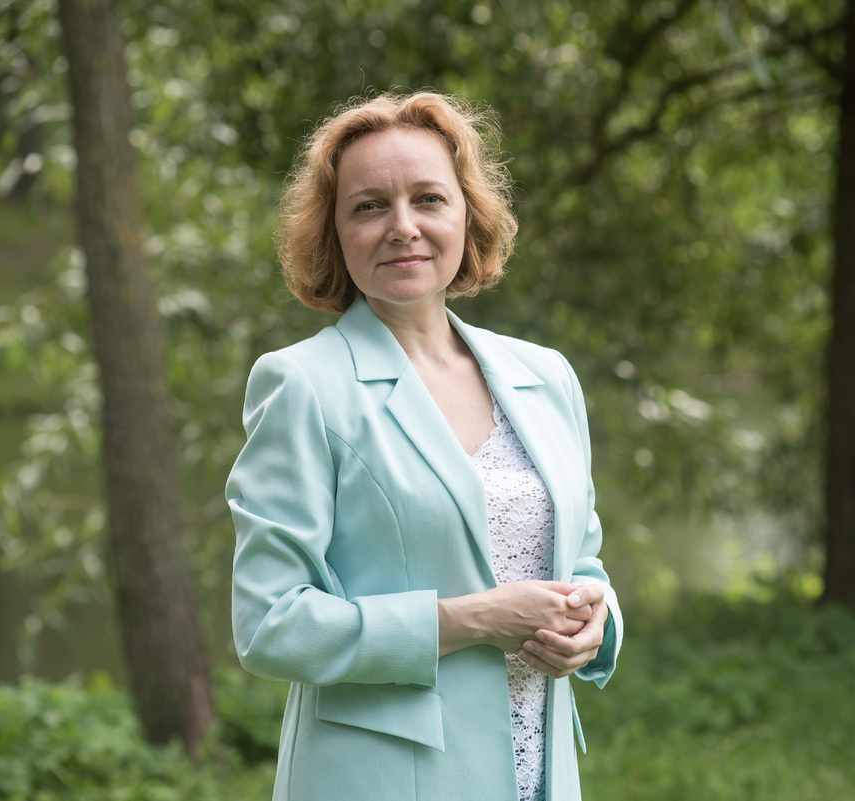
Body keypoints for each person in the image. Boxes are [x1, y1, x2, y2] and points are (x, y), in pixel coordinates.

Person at [226, 91, 623, 801]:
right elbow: (271, 624)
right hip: (381, 779)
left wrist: (597, 620)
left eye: (429, 199)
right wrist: (473, 620)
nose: (402, 227)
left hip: (539, 771)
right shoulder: (303, 385)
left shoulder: (546, 375)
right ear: (335, 232)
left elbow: (582, 559)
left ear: (467, 213)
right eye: (369, 206)